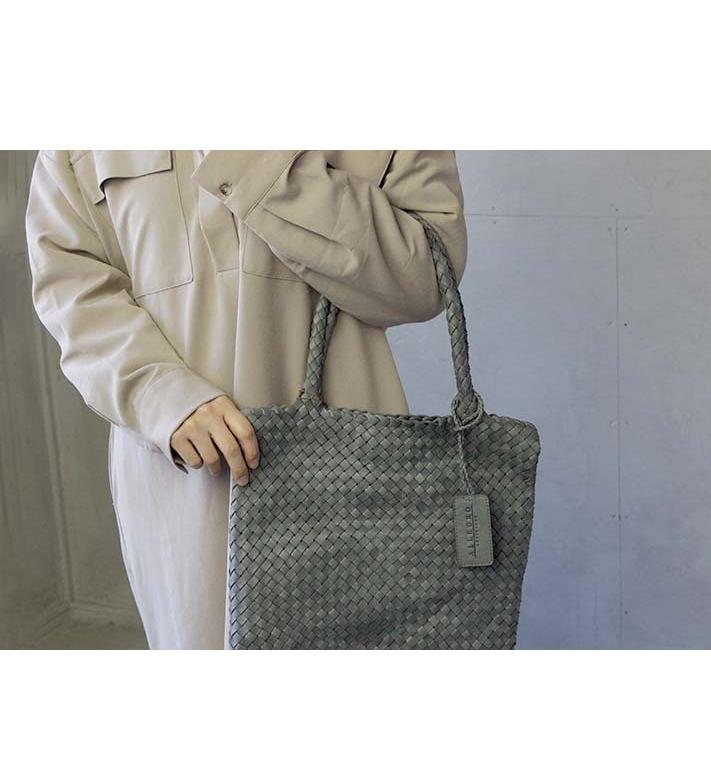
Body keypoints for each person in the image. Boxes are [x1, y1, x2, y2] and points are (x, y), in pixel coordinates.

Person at [25, 150, 468, 649]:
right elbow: (71, 286)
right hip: (184, 475)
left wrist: (254, 160)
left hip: (348, 459)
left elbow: (427, 279)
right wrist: (160, 394)